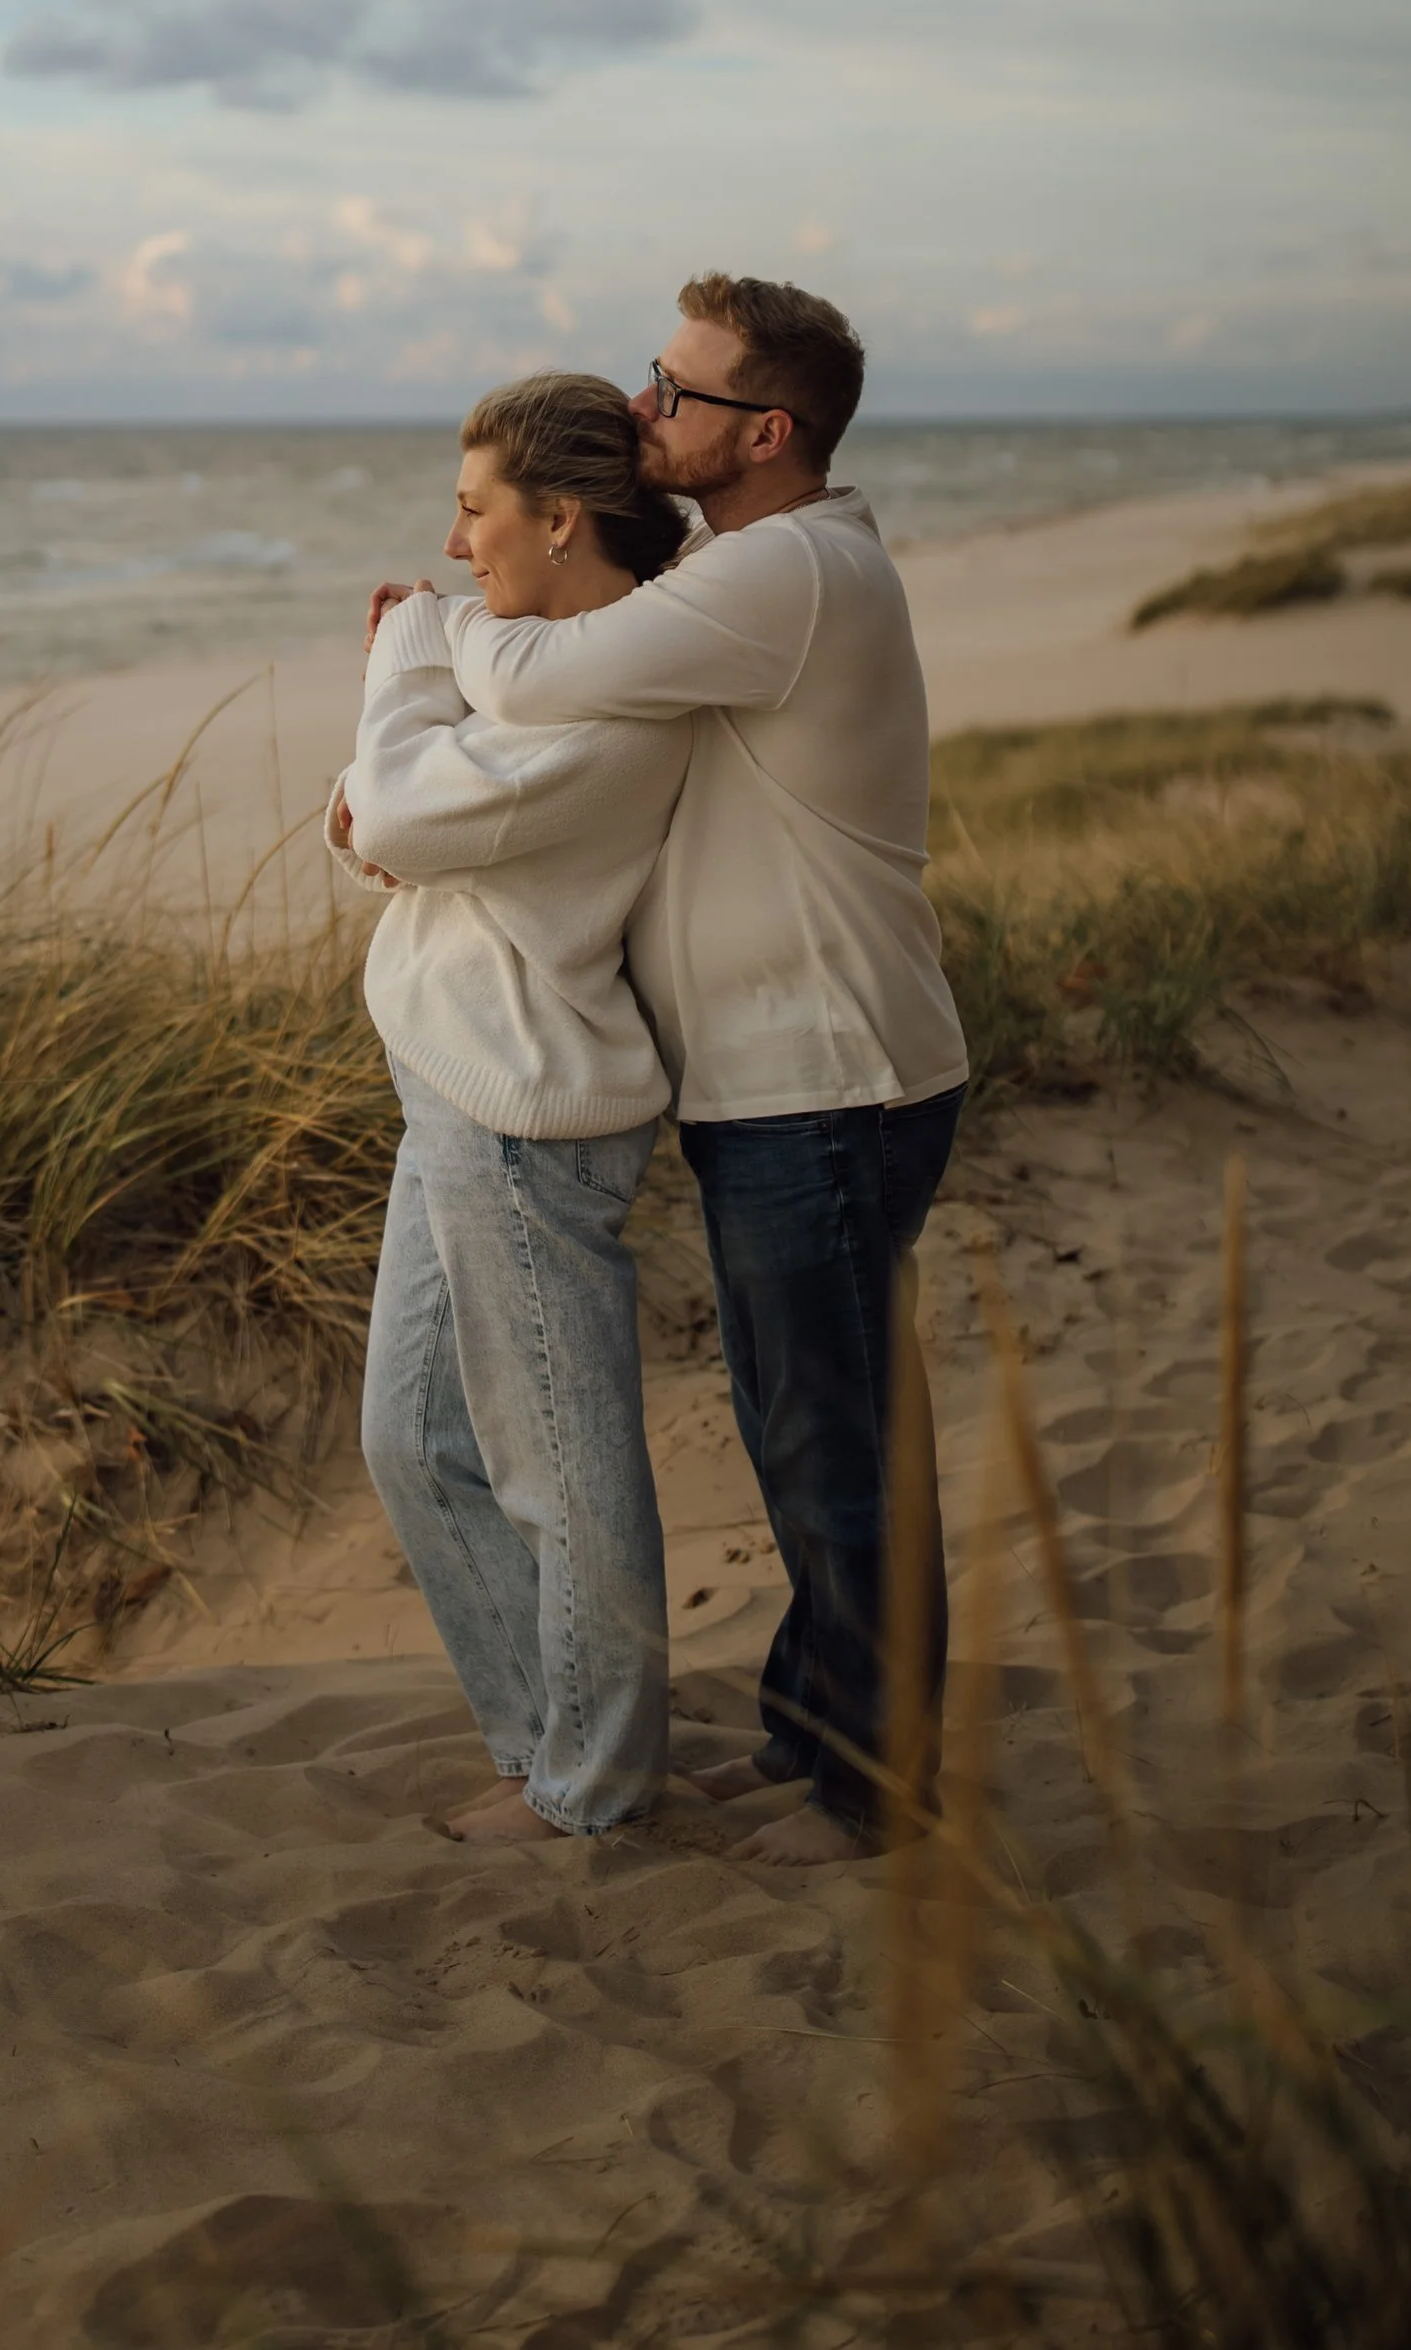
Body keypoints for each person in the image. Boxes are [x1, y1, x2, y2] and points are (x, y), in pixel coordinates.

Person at [371, 276, 967, 1867]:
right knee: (808, 1427)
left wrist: (429, 639)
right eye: (648, 377)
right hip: (789, 1073)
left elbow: (538, 676)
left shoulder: (788, 571)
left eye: (678, 392)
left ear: (767, 430)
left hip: (828, 1073)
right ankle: (815, 1740)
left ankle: (871, 1792)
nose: (648, 411)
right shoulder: (750, 571)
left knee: (834, 1449)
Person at [329, 373, 690, 1848]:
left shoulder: (612, 683)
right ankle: (544, 1743)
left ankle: (592, 1784)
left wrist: (407, 655)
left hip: (529, 1113)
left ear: (558, 516)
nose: (456, 538)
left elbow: (402, 808)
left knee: (557, 1467)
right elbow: (376, 821)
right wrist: (392, 776)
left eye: (477, 508)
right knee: (411, 1442)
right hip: (456, 1082)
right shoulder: (532, 664)